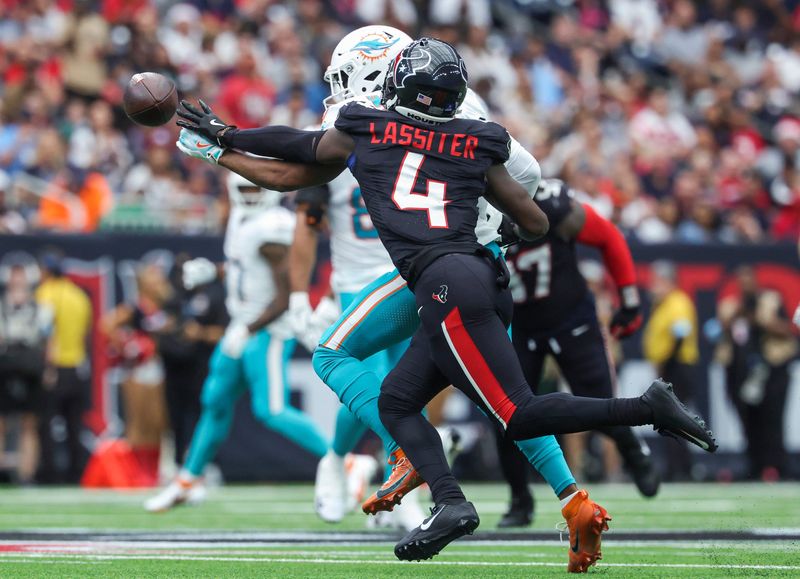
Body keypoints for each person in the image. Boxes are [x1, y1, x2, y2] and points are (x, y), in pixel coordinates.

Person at [175, 37, 717, 568]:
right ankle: (465, 500)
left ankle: (646, 408)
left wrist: (223, 137)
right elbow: (534, 218)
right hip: (476, 274)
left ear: (395, 80)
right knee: (399, 400)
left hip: (442, 281)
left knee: (515, 411)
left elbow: (296, 154)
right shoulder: (477, 134)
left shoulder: (369, 125)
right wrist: (489, 228)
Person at [144, 174, 332, 512]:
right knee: (214, 400)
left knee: (271, 410)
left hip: (268, 330)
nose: (249, 194)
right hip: (243, 325)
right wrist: (215, 272)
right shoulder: (243, 220)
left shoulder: (274, 225)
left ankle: (342, 462)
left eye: (255, 188)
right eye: (243, 188)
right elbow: (247, 267)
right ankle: (188, 479)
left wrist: (248, 330)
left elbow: (286, 294)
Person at [495, 178, 659, 528]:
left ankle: (632, 449)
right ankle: (519, 500)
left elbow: (607, 236)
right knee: (505, 414)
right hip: (520, 326)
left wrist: (629, 300)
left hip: (571, 319)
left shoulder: (548, 201)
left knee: (598, 404)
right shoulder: (474, 207)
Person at [715, 266, 796, 480]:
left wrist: (765, 321)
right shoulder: (732, 307)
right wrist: (737, 315)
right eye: (741, 280)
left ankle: (776, 466)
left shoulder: (770, 302)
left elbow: (788, 329)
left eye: (748, 279)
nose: (745, 284)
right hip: (740, 372)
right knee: (747, 420)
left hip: (771, 369)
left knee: (772, 419)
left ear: (756, 280)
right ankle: (755, 464)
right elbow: (719, 331)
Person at [35, 251, 93, 484]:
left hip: (55, 367)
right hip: (78, 366)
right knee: (74, 424)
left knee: (46, 423)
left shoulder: (45, 294)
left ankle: (50, 474)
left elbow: (45, 334)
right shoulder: (79, 295)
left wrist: (46, 367)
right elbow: (86, 333)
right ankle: (77, 473)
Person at [642, 260, 699, 480]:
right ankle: (676, 465)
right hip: (670, 366)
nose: (652, 287)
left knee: (675, 418)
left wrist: (666, 363)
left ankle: (681, 468)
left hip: (677, 367)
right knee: (669, 418)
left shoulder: (678, 302)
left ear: (668, 281)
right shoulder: (665, 304)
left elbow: (681, 333)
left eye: (656, 282)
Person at [0, 262, 52, 484]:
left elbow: (48, 340)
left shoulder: (42, 308)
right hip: (4, 365)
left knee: (30, 424)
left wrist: (50, 368)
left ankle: (26, 474)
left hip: (31, 368)